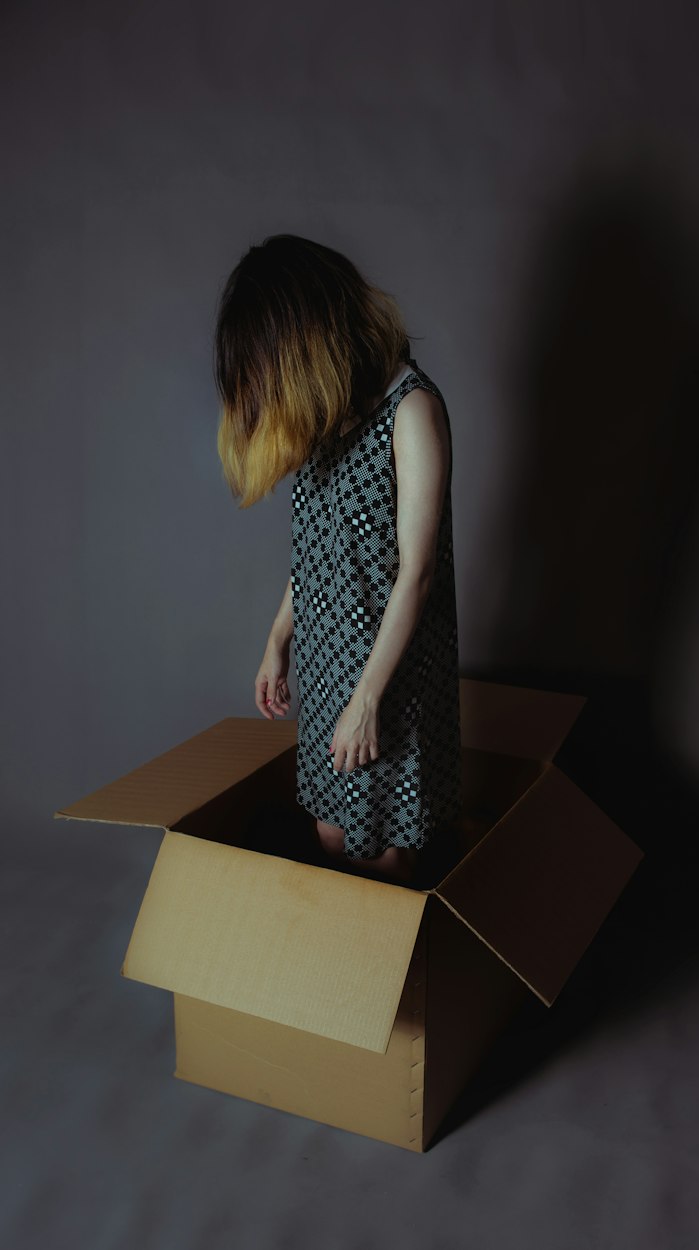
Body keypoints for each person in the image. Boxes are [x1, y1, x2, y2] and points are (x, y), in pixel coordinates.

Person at [213, 234, 462, 886]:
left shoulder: (412, 412)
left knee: (381, 848)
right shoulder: (327, 416)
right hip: (330, 664)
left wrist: (368, 699)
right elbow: (320, 552)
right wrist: (277, 639)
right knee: (330, 828)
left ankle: (393, 976)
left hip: (387, 674)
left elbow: (418, 573)